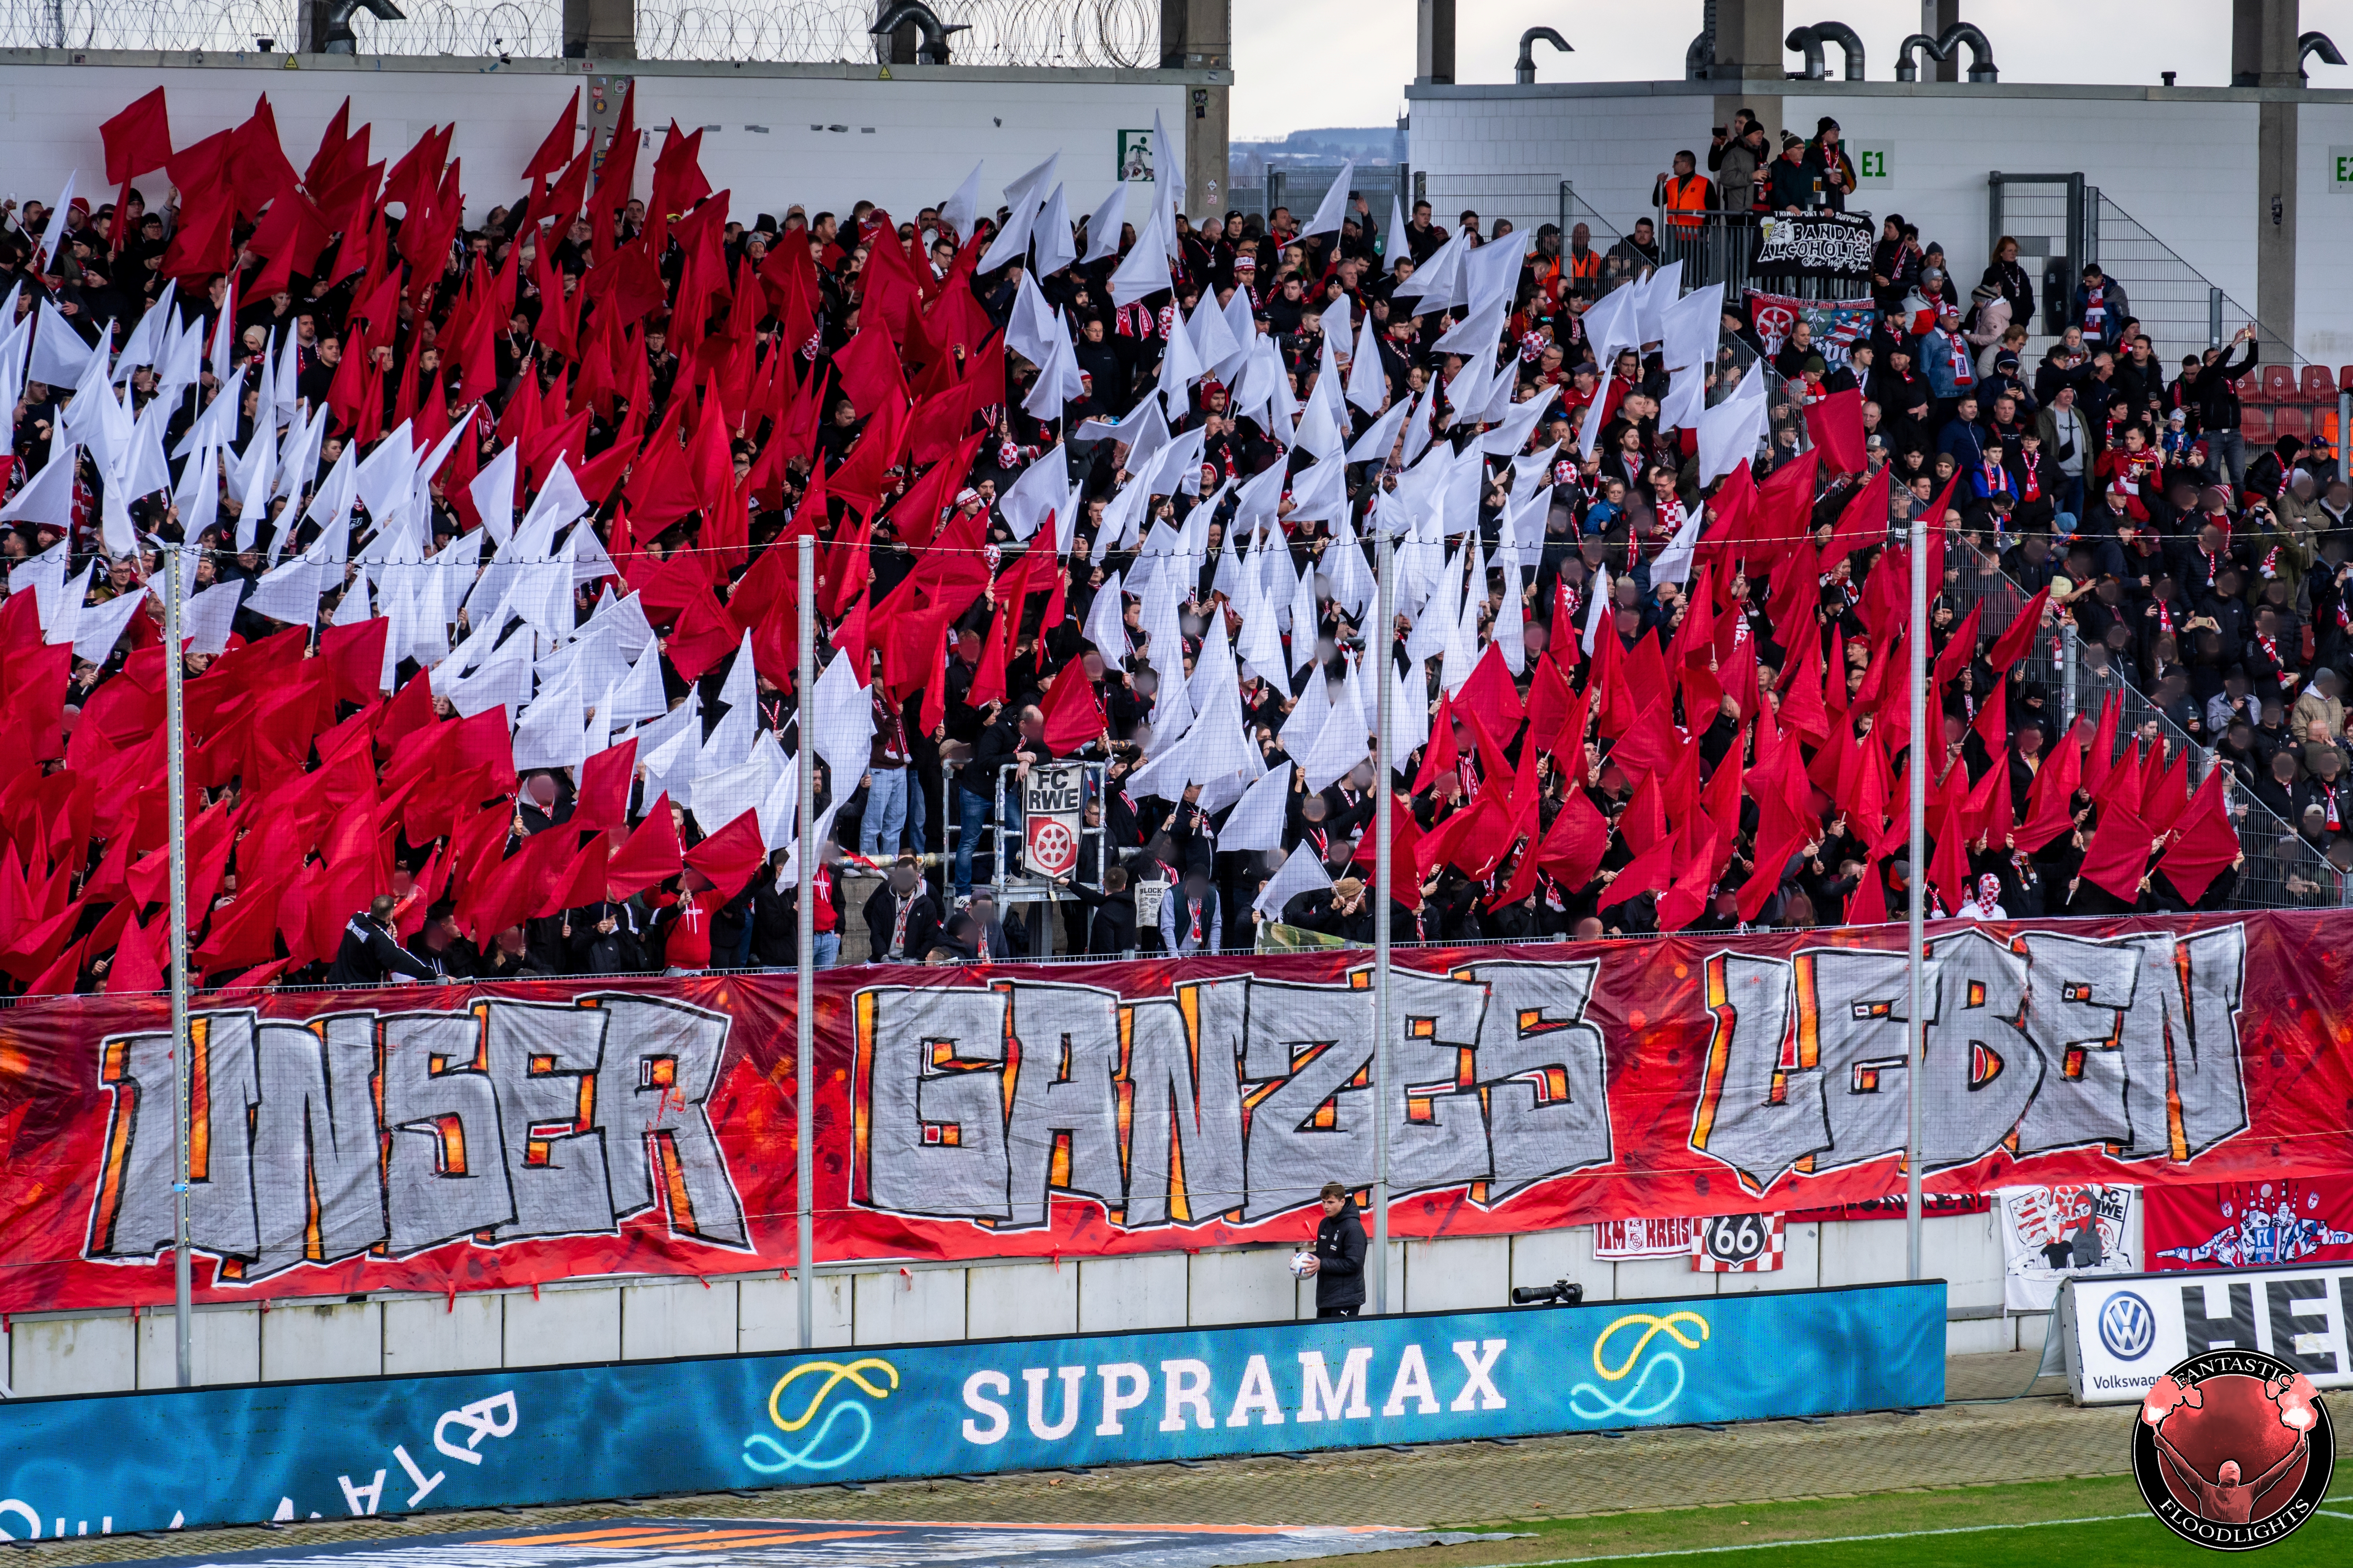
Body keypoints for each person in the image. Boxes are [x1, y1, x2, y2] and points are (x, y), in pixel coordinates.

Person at [325, 896, 447, 987]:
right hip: (356, 997)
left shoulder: (356, 919)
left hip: (335, 986)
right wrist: (432, 975)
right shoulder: (379, 938)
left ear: (370, 909)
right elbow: (400, 959)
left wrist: (386, 930)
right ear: (390, 915)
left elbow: (371, 923)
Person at [1298, 1180, 1368, 1319]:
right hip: (1327, 1298)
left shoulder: (1353, 1228)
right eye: (1323, 1202)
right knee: (1323, 1339)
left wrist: (1321, 1264)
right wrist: (1305, 1258)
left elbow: (1354, 1263)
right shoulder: (1324, 1224)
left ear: (1342, 1202)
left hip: (1347, 1300)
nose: (1326, 1206)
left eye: (1330, 1202)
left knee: (1340, 1340)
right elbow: (1324, 1255)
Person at [1159, 866, 1221, 954]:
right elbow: (1167, 928)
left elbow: (1215, 925)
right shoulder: (1172, 894)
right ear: (1187, 882)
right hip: (1174, 953)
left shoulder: (1213, 895)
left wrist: (1215, 953)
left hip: (1199, 954)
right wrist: (1174, 956)